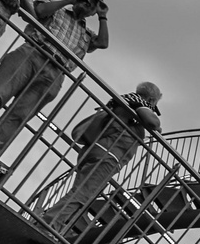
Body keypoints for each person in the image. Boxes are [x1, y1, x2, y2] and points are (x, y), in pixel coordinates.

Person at [0, 0, 109, 162]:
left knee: (20, 114)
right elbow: (39, 11)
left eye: (92, 2)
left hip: (56, 72)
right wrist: (70, 1)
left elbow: (103, 43)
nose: (86, 2)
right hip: (32, 53)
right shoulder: (57, 8)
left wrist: (102, 15)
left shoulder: (87, 33)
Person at [43, 83, 162, 231]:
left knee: (81, 191)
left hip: (96, 149)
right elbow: (153, 122)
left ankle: (53, 224)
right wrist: (155, 124)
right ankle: (49, 224)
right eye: (154, 105)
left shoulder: (124, 101)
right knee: (83, 193)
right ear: (151, 100)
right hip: (108, 154)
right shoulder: (139, 102)